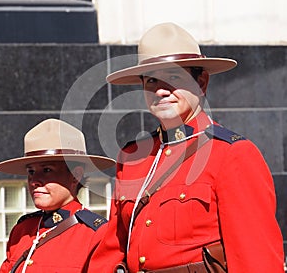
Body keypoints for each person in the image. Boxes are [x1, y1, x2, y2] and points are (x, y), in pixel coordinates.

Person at [87, 23, 284, 273]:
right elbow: (112, 248)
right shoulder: (132, 158)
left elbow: (256, 259)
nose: (160, 90)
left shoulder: (232, 154)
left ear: (201, 82)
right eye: (151, 80)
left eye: (173, 78)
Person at [0, 118, 115, 273]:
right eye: (31, 171)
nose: (34, 181)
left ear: (75, 175)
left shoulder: (97, 234)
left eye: (47, 170)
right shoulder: (22, 231)